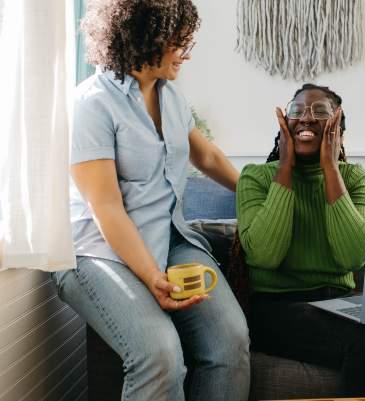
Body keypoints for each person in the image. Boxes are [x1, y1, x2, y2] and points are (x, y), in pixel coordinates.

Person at [51, 1, 250, 400]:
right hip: (99, 253)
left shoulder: (171, 97)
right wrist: (150, 276)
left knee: (231, 344)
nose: (186, 52)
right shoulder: (91, 104)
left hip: (170, 240)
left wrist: (266, 194)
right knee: (159, 356)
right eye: (177, 40)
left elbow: (206, 157)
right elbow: (105, 207)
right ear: (147, 36)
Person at [235, 83, 365, 396]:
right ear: (284, 125)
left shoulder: (354, 177)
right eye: (297, 110)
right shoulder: (256, 177)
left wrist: (331, 168)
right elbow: (265, 255)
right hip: (276, 307)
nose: (306, 118)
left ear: (338, 132)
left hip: (338, 300)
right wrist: (285, 167)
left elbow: (355, 256)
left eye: (320, 112)